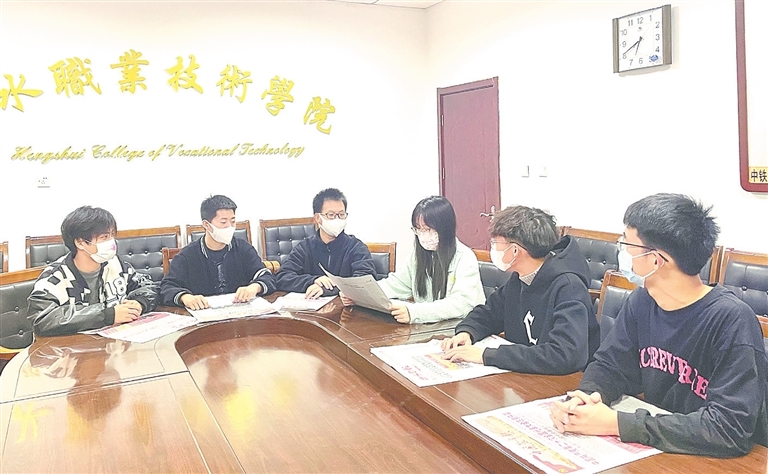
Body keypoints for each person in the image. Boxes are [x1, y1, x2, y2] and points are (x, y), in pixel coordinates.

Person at [550, 193, 768, 457]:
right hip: (661, 448)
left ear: (656, 260)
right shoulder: (642, 301)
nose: (622, 252)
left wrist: (616, 423)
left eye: (626, 244)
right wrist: (585, 399)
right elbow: (610, 365)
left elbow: (728, 429)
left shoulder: (731, 319)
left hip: (713, 459)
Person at [441, 205, 598, 374]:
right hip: (526, 375)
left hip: (566, 382)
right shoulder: (519, 278)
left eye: (495, 243)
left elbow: (565, 354)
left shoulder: (569, 287)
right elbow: (489, 313)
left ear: (515, 250)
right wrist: (467, 332)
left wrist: (487, 355)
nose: (493, 248)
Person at [343, 196, 484, 324]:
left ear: (445, 228)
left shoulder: (464, 257)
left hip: (460, 329)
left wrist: (415, 312)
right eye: (418, 229)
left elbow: (461, 304)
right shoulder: (418, 256)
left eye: (428, 229)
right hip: (429, 328)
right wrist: (359, 294)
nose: (423, 235)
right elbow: (396, 284)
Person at [27, 206, 158, 337]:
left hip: (114, 343)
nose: (112, 242)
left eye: (112, 235)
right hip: (71, 347)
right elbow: (42, 319)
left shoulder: (115, 264)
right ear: (80, 243)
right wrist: (107, 315)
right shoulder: (55, 277)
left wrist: (140, 302)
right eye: (104, 237)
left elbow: (148, 286)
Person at [160, 195, 276, 309]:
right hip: (204, 315)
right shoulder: (187, 255)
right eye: (223, 222)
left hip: (241, 314)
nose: (230, 227)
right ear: (206, 225)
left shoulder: (243, 248)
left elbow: (266, 276)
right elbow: (167, 287)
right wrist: (185, 297)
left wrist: (255, 287)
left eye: (233, 221)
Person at [275, 188, 376, 298]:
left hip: (346, 306)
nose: (337, 219)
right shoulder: (304, 248)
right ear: (318, 218)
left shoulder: (356, 247)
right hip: (311, 306)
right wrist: (313, 281)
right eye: (331, 215)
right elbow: (282, 277)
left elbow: (365, 280)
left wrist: (326, 289)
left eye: (341, 214)